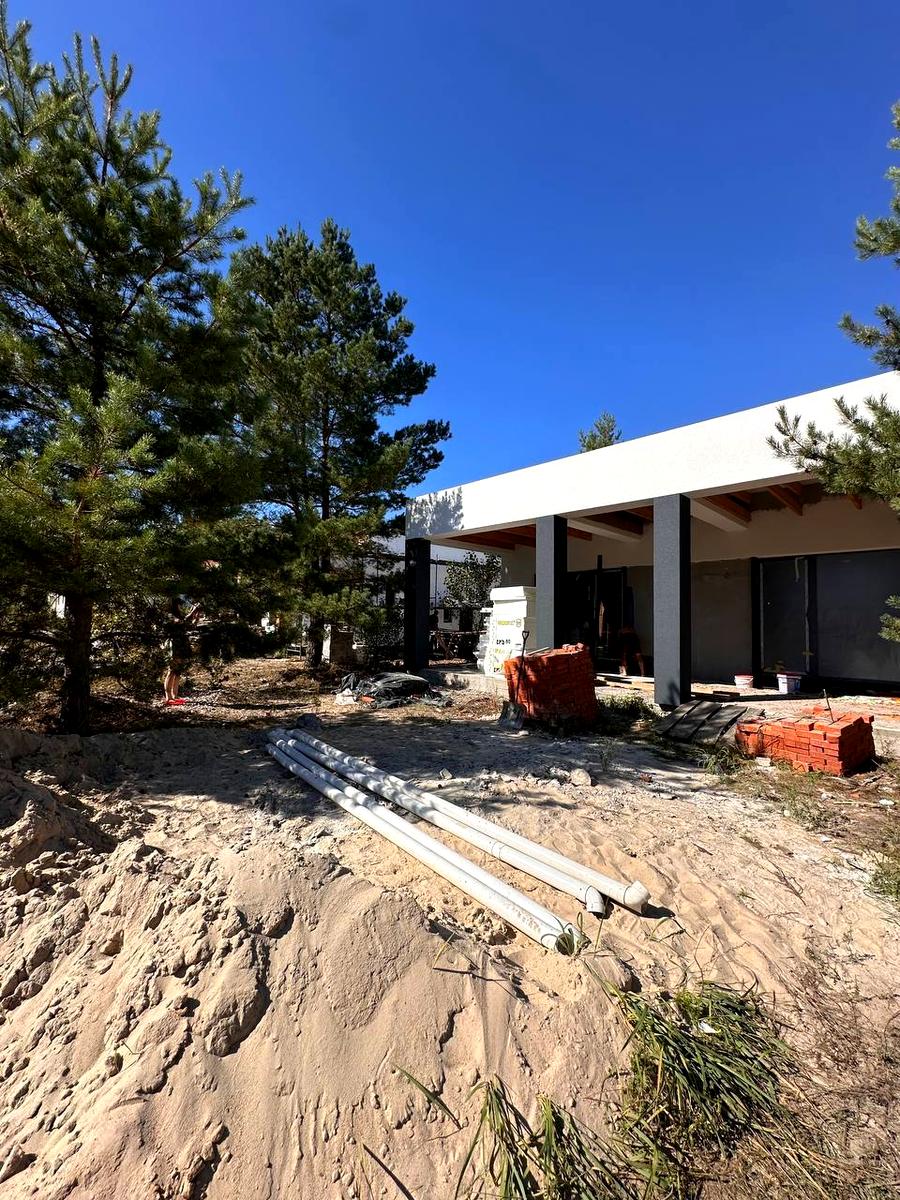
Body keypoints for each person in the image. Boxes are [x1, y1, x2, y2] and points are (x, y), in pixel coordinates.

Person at [161, 599, 201, 705]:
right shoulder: (169, 616)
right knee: (172, 671)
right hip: (173, 646)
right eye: (179, 605)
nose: (181, 607)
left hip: (181, 646)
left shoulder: (178, 616)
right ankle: (168, 698)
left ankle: (175, 696)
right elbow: (181, 622)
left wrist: (196, 617)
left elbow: (190, 626)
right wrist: (192, 612)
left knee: (178, 671)